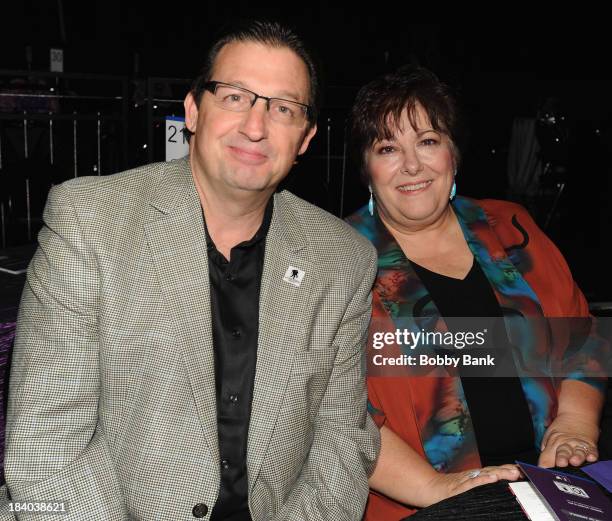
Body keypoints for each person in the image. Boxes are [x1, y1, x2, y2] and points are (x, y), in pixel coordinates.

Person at [3, 20, 380, 520]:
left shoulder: (342, 257)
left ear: (306, 138)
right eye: (234, 97)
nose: (255, 125)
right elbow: (43, 450)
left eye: (283, 109)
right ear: (193, 110)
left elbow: (340, 442)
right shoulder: (91, 219)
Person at [345, 66, 607, 519]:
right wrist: (438, 488)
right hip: (426, 509)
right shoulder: (341, 260)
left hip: (546, 493)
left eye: (427, 141)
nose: (412, 165)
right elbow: (335, 413)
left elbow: (582, 339)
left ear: (453, 153)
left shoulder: (511, 228)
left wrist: (574, 424)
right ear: (366, 168)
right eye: (388, 148)